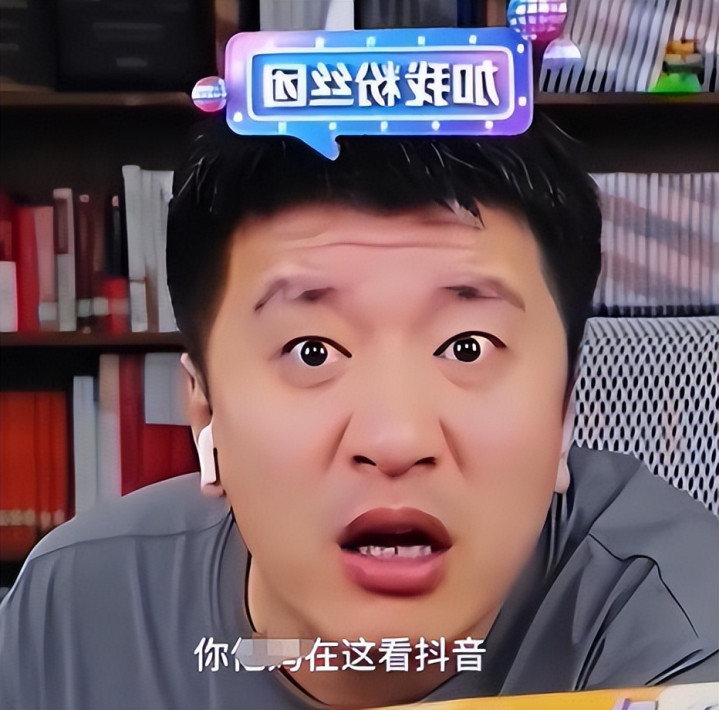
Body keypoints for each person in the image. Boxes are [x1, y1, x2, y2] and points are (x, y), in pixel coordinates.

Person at [0, 117, 717, 710]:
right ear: (204, 414)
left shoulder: (681, 632)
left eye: (466, 347)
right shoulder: (76, 606)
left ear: (563, 416)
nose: (395, 438)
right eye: (312, 351)